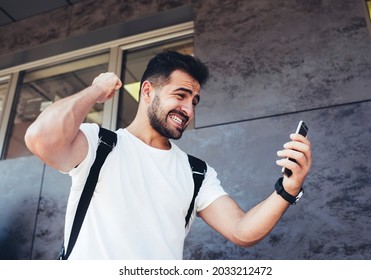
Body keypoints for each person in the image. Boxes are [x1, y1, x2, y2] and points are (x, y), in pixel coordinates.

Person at [24, 51, 312, 260]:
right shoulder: (99, 145)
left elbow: (242, 230)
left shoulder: (196, 172)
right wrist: (97, 89)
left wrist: (288, 189)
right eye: (181, 95)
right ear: (147, 91)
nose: (188, 109)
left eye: (194, 101)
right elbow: (40, 137)